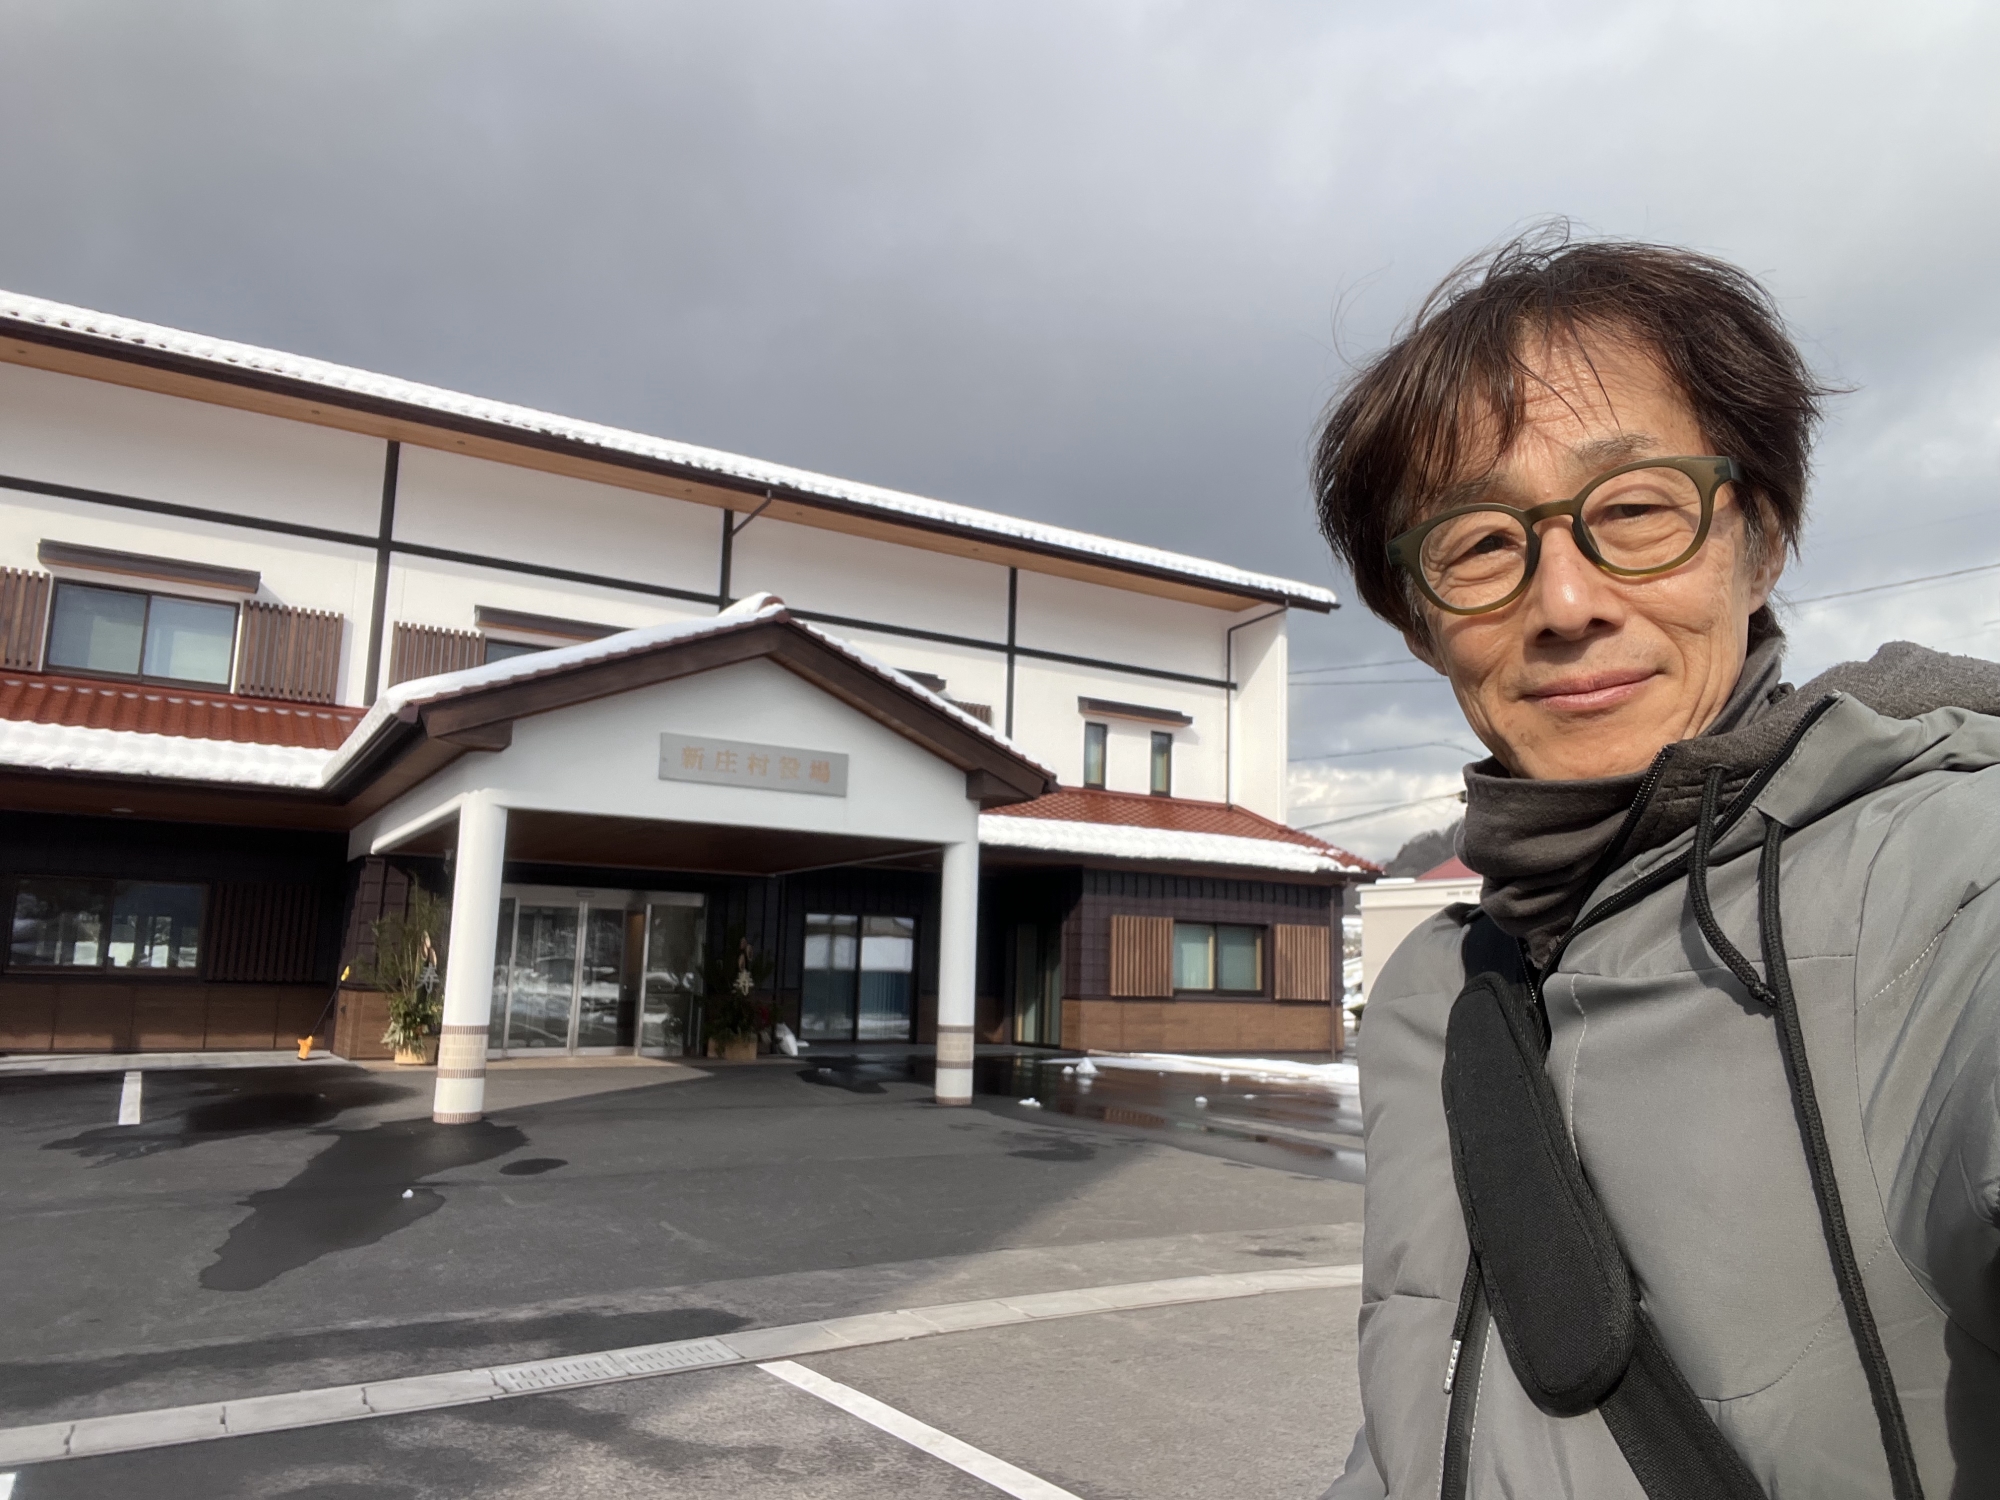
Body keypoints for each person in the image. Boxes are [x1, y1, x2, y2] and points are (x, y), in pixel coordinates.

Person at [1312, 231, 2000, 1499]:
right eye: (1476, 544)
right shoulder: (1431, 995)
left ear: (1759, 539)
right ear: (1419, 624)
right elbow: (1425, 1421)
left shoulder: (1942, 877)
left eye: (1632, 508)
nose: (1564, 601)